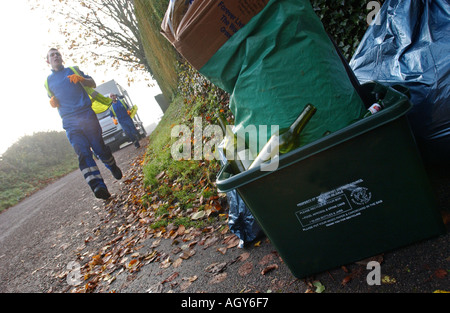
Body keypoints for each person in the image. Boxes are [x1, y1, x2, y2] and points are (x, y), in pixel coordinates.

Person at [44, 48, 122, 200]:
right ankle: (98, 186)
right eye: (52, 55)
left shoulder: (73, 69)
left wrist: (81, 79)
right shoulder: (47, 82)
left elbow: (92, 83)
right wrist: (52, 102)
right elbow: (52, 98)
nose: (56, 56)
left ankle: (111, 165)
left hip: (86, 115)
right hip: (69, 121)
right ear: (48, 61)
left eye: (58, 54)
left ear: (61, 57)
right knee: (82, 152)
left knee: (99, 148)